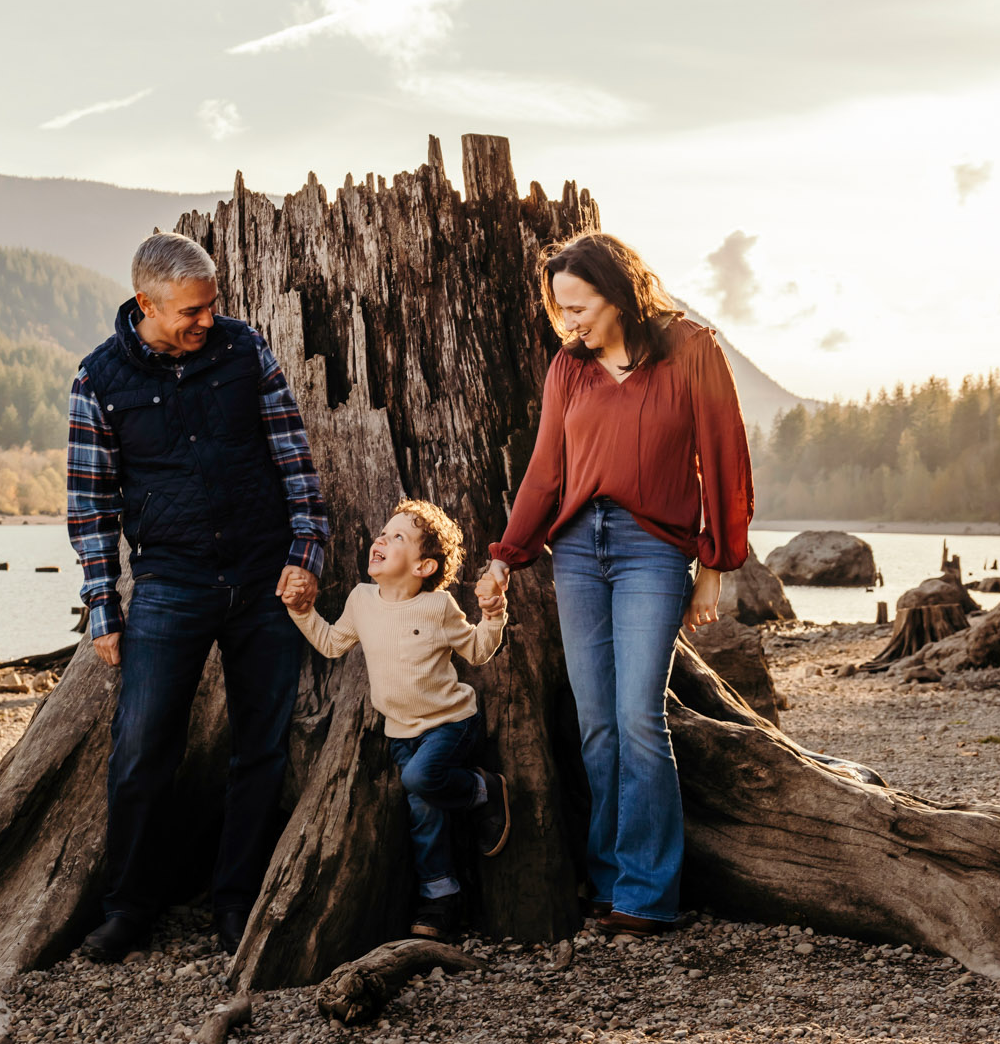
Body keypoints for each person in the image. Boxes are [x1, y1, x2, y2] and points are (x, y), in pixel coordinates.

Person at [476, 232, 753, 937]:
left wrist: (713, 568)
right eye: (559, 309)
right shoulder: (569, 369)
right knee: (595, 723)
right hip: (576, 550)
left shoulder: (691, 348)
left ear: (619, 293)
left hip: (652, 551)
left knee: (638, 716)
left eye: (579, 306)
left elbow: (724, 460)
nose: (568, 322)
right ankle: (605, 879)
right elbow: (544, 472)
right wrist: (507, 556)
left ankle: (647, 893)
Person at [66, 231, 328, 962]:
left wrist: (305, 554)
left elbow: (296, 462)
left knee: (262, 748)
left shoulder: (245, 352)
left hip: (263, 579)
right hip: (169, 584)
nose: (207, 319)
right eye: (191, 310)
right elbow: (90, 507)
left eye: (212, 304)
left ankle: (237, 900)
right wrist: (102, 606)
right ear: (146, 303)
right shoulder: (99, 379)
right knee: (142, 747)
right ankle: (128, 908)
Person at [279, 499, 511, 944]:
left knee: (422, 779)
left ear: (424, 566)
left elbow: (478, 651)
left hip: (450, 722)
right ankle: (440, 897)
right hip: (401, 732)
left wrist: (493, 615)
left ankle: (484, 789)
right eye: (383, 533)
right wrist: (301, 611)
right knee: (424, 812)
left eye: (397, 536)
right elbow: (331, 644)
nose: (381, 540)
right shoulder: (362, 600)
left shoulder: (438, 606)